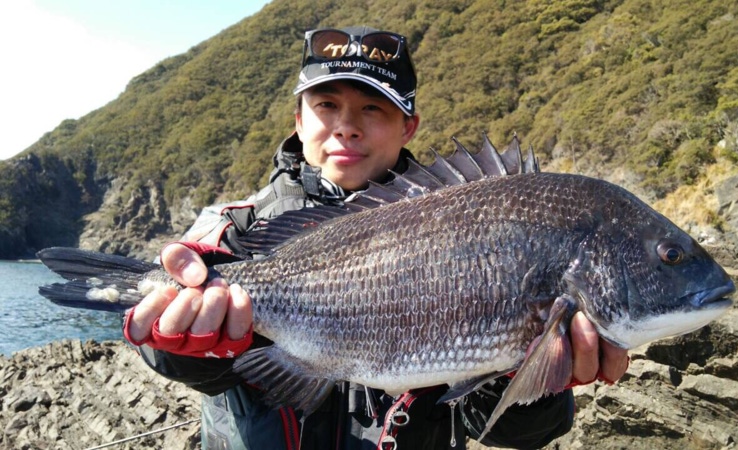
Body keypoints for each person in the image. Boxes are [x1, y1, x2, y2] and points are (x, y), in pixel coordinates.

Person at [123, 26, 629, 449]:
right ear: (298, 120)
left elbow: (509, 432)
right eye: (326, 105)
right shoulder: (235, 232)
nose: (347, 127)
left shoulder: (463, 220)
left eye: (373, 109)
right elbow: (176, 355)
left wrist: (536, 380)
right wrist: (181, 342)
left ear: (408, 126)